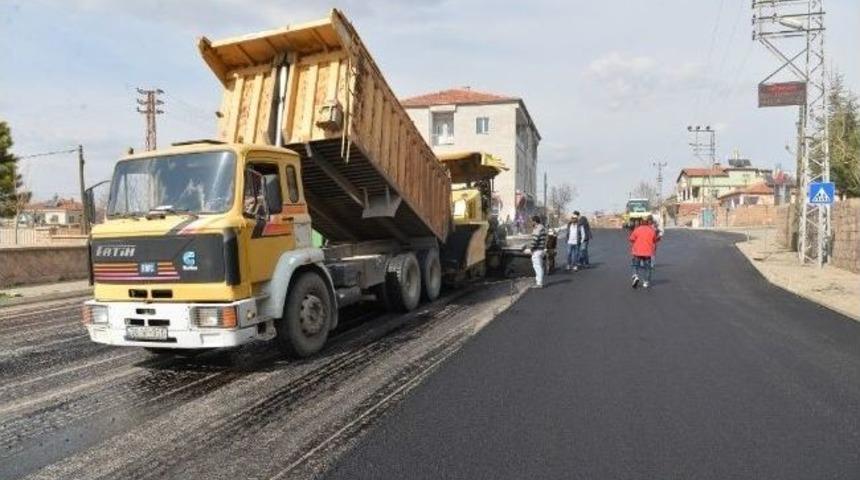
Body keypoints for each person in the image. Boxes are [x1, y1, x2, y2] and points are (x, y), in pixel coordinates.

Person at [629, 215, 660, 289]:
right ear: (648, 222)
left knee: (635, 265)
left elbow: (631, 239)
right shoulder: (652, 230)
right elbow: (655, 240)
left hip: (637, 252)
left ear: (641, 222)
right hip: (648, 253)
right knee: (647, 268)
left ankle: (635, 276)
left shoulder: (637, 229)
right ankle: (646, 282)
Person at [525, 215, 547, 288]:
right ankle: (539, 281)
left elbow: (535, 240)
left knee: (537, 266)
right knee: (539, 266)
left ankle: (539, 283)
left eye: (532, 221)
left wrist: (530, 249)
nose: (531, 223)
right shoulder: (542, 227)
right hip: (541, 249)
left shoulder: (538, 228)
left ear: (535, 221)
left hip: (537, 250)